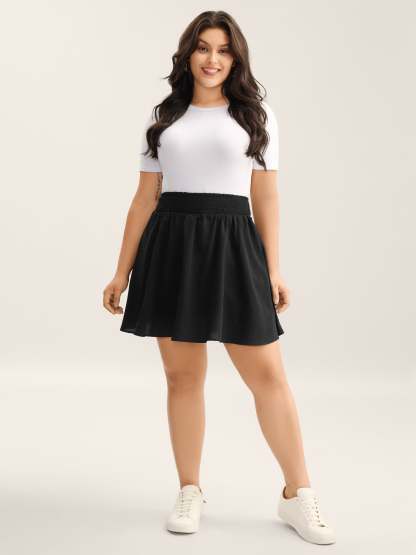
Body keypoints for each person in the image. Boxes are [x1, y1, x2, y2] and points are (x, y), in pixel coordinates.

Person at [103, 10, 336, 545]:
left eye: (224, 50)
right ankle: (190, 489)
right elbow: (144, 199)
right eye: (203, 48)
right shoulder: (164, 116)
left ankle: (297, 494)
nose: (213, 59)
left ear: (236, 58)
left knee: (268, 377)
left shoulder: (256, 115)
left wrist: (273, 268)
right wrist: (121, 271)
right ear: (188, 54)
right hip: (171, 246)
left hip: (234, 245)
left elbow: (266, 196)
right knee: (183, 378)